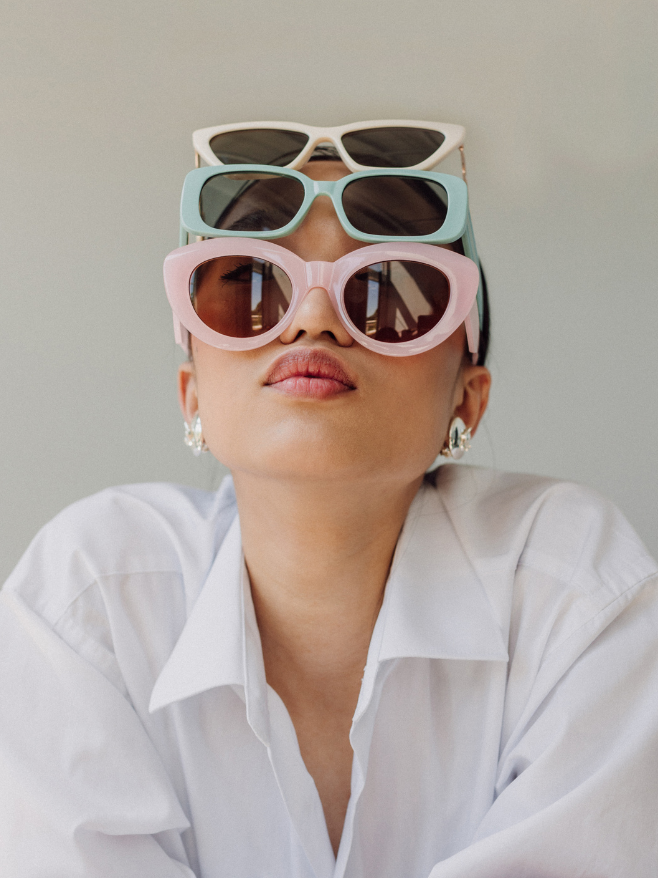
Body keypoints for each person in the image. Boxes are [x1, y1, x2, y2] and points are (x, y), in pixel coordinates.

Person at [1, 141, 657, 878]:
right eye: (251, 285)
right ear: (192, 394)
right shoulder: (85, 608)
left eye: (387, 288)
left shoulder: (577, 594)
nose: (313, 317)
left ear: (464, 403)